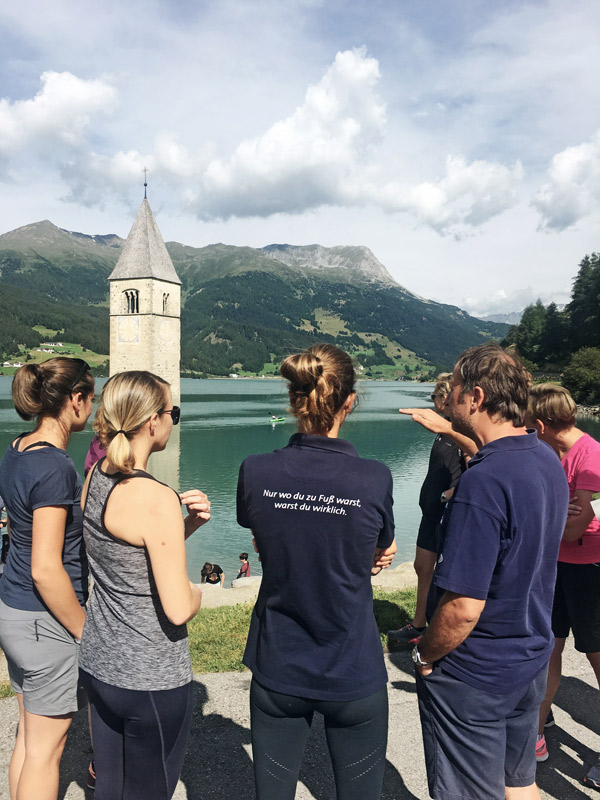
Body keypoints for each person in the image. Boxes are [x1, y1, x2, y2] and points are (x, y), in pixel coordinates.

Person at [237, 343, 397, 800]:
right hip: (353, 666)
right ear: (350, 401)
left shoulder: (255, 470)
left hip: (278, 663)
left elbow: (262, 538)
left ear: (293, 400)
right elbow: (377, 545)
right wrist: (368, 556)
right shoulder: (374, 477)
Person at [413, 343, 568, 800]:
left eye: (455, 389)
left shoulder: (483, 480)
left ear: (476, 397)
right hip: (530, 659)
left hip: (476, 674)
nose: (449, 398)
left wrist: (425, 654)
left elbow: (462, 607)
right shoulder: (545, 459)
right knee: (519, 785)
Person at [78, 371, 211, 800]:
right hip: (150, 676)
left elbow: (127, 559)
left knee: (112, 787)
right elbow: (176, 607)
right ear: (153, 421)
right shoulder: (155, 498)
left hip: (101, 663)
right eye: (174, 411)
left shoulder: (97, 474)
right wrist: (198, 592)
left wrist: (183, 525)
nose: (174, 420)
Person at [0, 357, 94, 800]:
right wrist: (84, 630)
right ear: (74, 400)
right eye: (90, 398)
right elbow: (46, 566)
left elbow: (20, 535)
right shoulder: (57, 468)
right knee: (45, 750)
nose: (92, 408)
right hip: (44, 623)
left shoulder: (17, 448)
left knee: (28, 738)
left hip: (13, 610)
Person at [526, 384, 600, 784]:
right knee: (546, 649)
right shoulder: (560, 454)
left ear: (542, 425)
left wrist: (546, 524)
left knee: (596, 657)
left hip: (590, 571)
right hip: (558, 569)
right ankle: (535, 733)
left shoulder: (592, 459)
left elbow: (578, 529)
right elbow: (568, 520)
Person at [388, 373, 471, 644]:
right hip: (429, 511)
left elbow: (477, 467)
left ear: (446, 398)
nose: (434, 400)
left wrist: (452, 494)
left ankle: (441, 629)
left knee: (446, 575)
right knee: (422, 566)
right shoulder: (442, 431)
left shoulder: (462, 434)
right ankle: (419, 624)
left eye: (436, 395)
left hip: (447, 513)